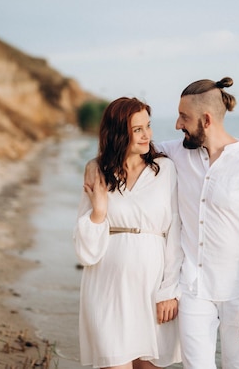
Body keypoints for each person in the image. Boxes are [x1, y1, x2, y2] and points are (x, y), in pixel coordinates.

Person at [85, 77, 239, 369]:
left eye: (183, 117)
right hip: (192, 288)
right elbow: (130, 150)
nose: (177, 124)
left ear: (206, 120)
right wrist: (94, 163)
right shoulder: (175, 153)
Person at [74, 97, 184, 369]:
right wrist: (99, 212)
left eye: (148, 126)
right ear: (118, 133)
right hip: (106, 289)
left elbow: (176, 232)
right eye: (137, 129)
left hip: (152, 288)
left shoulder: (166, 170)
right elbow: (85, 251)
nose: (147, 134)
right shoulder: (98, 172)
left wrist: (169, 291)